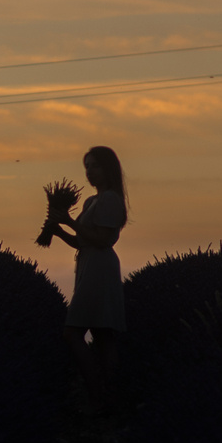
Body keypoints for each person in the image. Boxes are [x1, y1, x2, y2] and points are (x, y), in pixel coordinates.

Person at [43, 145, 127, 408]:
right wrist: (57, 230)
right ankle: (107, 396)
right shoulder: (92, 201)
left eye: (94, 166)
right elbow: (82, 242)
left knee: (73, 332)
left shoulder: (110, 199)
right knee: (102, 335)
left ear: (108, 168)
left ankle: (98, 393)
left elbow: (102, 240)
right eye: (86, 167)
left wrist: (69, 221)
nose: (89, 172)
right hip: (89, 264)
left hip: (100, 269)